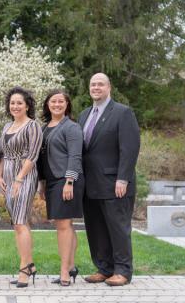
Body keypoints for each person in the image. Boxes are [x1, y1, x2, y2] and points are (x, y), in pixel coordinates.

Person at [78, 73, 140, 286]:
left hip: (115, 184)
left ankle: (123, 270)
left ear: (109, 87)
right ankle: (104, 268)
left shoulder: (122, 113)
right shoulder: (84, 115)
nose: (96, 87)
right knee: (96, 228)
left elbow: (130, 148)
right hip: (90, 185)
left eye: (100, 84)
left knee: (118, 228)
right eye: (93, 84)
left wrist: (123, 178)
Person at [37, 90, 84, 286]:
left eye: (61, 101)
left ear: (67, 105)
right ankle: (71, 266)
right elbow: (41, 158)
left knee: (63, 225)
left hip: (66, 180)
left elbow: (75, 156)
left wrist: (69, 181)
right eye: (53, 101)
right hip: (51, 181)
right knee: (66, 225)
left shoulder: (71, 127)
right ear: (48, 105)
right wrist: (41, 182)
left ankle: (64, 271)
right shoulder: (44, 127)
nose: (57, 104)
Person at [0, 86, 43, 288]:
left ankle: (24, 268)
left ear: (27, 106)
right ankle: (29, 264)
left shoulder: (33, 126)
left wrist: (19, 179)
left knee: (20, 221)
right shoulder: (7, 126)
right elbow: (3, 153)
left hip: (24, 176)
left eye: (19, 103)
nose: (15, 106)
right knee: (17, 222)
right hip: (7, 175)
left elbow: (32, 156)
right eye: (12, 103)